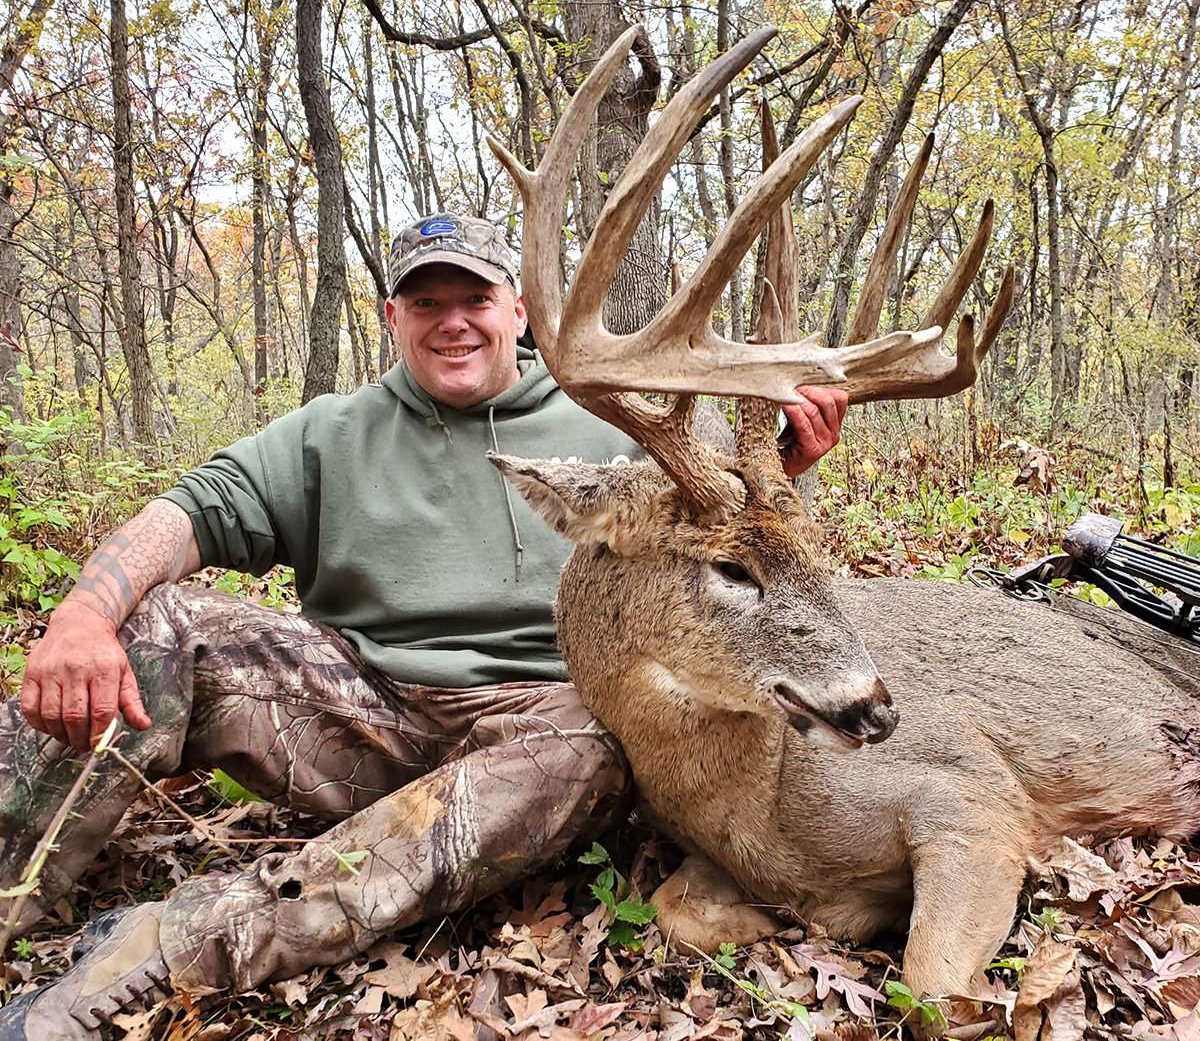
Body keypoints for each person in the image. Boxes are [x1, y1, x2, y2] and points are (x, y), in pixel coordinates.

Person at [0, 214, 847, 1038]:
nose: (453, 323)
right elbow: (186, 514)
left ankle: (175, 945)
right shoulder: (331, 433)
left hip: (535, 729)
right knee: (151, 620)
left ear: (518, 311)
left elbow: (731, 536)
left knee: (593, 747)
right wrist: (82, 613)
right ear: (393, 317)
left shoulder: (620, 426)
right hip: (354, 711)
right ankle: (12, 881)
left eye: (474, 299)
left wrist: (783, 464)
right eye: (426, 302)